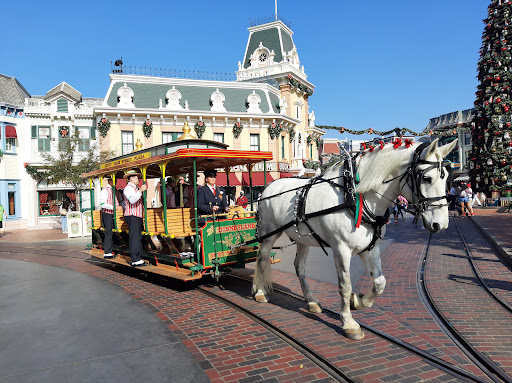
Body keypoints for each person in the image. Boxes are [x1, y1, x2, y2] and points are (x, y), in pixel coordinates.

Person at [123, 169, 148, 267]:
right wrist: (141, 190)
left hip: (137, 215)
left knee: (138, 237)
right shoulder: (128, 189)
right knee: (134, 237)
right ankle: (135, 259)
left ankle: (139, 257)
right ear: (131, 179)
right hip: (132, 215)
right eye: (137, 177)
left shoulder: (134, 188)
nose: (139, 179)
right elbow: (132, 200)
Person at [99, 176, 115, 259]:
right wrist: (113, 207)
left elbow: (119, 200)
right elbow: (102, 204)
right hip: (108, 214)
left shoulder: (114, 190)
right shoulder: (105, 190)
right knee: (108, 232)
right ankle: (107, 252)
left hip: (115, 214)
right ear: (109, 181)